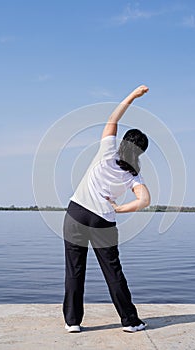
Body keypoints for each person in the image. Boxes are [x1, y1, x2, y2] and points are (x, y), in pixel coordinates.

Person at [63, 85, 151, 333]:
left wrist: (133, 95)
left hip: (76, 214)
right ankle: (130, 322)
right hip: (103, 220)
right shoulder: (133, 175)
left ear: (123, 142)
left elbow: (113, 117)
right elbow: (144, 200)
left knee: (74, 270)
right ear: (140, 153)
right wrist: (119, 209)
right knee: (113, 272)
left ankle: (72, 322)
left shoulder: (107, 150)